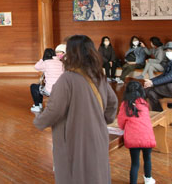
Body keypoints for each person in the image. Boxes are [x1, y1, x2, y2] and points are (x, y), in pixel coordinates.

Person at [34, 35, 118, 184]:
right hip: (98, 134)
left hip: (73, 137)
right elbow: (113, 103)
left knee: (74, 175)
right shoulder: (99, 76)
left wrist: (39, 121)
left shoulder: (67, 79)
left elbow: (54, 110)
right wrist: (99, 120)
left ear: (72, 54)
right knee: (97, 174)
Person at [117, 81, 156, 184]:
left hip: (133, 139)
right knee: (147, 159)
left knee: (135, 163)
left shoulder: (125, 105)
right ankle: (148, 179)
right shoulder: (144, 103)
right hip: (147, 137)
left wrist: (123, 127)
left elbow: (121, 121)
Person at [142, 42, 172, 111]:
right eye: (167, 51)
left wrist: (152, 83)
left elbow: (170, 77)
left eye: (171, 50)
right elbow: (164, 75)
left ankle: (139, 109)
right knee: (151, 93)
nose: (168, 52)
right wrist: (151, 81)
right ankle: (158, 113)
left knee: (148, 89)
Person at [30, 47, 65, 112]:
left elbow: (36, 67)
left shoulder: (46, 63)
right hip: (61, 91)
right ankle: (40, 105)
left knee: (34, 87)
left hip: (50, 91)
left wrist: (42, 59)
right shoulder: (61, 63)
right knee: (40, 86)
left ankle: (37, 106)